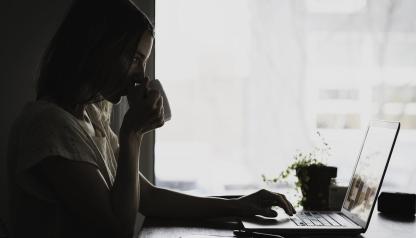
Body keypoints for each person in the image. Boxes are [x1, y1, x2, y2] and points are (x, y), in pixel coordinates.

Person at [7, 0, 295, 237]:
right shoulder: (49, 125)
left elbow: (149, 197)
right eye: (134, 58)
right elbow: (117, 230)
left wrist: (237, 206)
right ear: (96, 47)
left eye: (143, 62)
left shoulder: (90, 119)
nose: (141, 75)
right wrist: (132, 133)